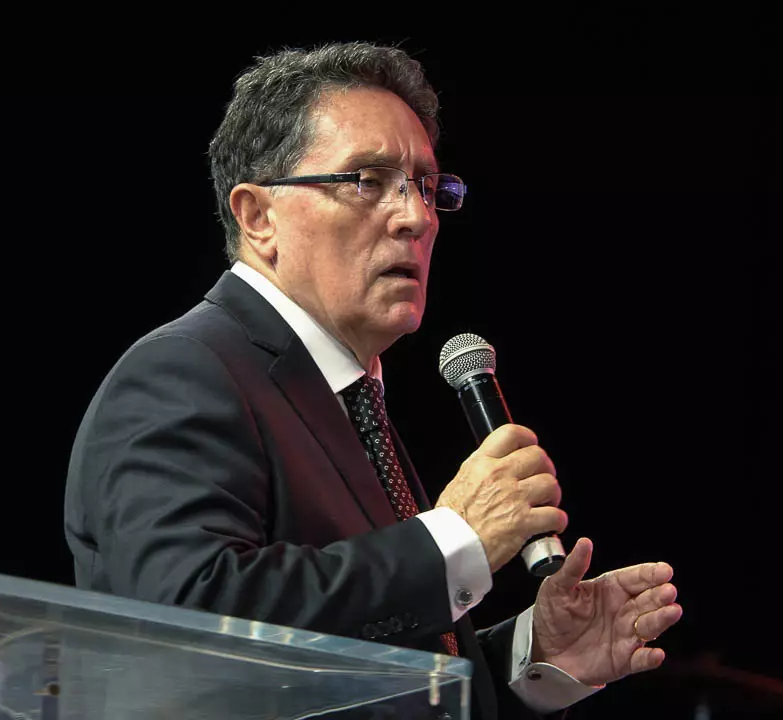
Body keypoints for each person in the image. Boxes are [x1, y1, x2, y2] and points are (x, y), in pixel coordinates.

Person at [64, 41, 682, 719]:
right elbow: (189, 619)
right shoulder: (184, 371)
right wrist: (454, 540)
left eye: (426, 186)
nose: (416, 217)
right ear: (259, 216)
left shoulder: (349, 400)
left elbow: (357, 671)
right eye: (367, 180)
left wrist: (537, 657)